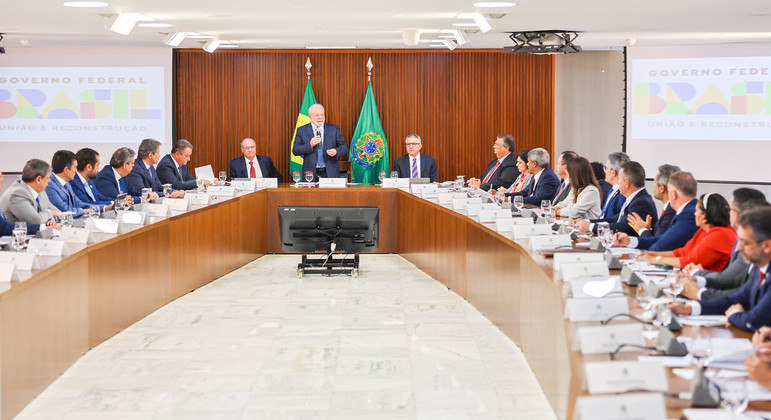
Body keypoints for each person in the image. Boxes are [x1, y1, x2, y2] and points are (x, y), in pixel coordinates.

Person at [670, 206, 771, 332]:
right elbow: (735, 299)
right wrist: (689, 308)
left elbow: (753, 321)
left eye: (744, 242)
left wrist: (734, 315)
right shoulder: (761, 268)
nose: (738, 248)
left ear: (767, 246)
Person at [679, 198, 769, 300]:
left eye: (730, 210)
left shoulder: (721, 233)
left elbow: (730, 281)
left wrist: (699, 290)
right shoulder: (704, 231)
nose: (739, 247)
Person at [646, 193, 736, 271]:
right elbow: (683, 252)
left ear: (704, 216)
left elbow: (688, 261)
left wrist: (655, 259)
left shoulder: (720, 235)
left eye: (697, 211)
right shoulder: (704, 230)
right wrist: (652, 254)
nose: (694, 214)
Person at [613, 171, 699, 251]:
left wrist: (648, 256)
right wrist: (629, 241)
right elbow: (663, 240)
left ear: (673, 194)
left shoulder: (689, 215)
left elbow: (662, 246)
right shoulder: (687, 210)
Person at [576, 161, 657, 235]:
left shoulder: (641, 202)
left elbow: (624, 227)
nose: (617, 183)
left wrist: (590, 227)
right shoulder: (636, 198)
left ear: (627, 183)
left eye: (619, 179)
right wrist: (586, 222)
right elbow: (614, 220)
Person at [291, 104, 349, 181]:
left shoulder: (333, 129)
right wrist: (310, 144)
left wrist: (336, 151)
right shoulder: (302, 130)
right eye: (317, 115)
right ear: (309, 117)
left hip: (330, 173)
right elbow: (295, 150)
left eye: (322, 114)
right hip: (310, 174)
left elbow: (345, 146)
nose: (320, 117)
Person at [575, 152, 629, 232]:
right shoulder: (613, 190)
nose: (604, 172)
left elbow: (616, 221)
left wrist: (591, 226)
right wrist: (587, 222)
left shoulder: (622, 194)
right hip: (600, 230)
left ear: (613, 172)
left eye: (606, 168)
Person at [0, 159, 61, 225]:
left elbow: (59, 213)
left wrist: (50, 220)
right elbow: (36, 221)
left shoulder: (41, 192)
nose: (49, 180)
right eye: (47, 178)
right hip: (17, 234)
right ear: (38, 179)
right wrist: (49, 213)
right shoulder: (17, 194)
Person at [628, 164, 680, 238]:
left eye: (655, 182)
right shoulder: (671, 208)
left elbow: (658, 243)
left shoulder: (671, 212)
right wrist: (648, 230)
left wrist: (642, 230)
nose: (654, 185)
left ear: (661, 188)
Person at [45, 150, 95, 218]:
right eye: (75, 167)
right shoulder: (49, 185)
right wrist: (83, 211)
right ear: (66, 170)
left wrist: (103, 208)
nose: (76, 171)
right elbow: (64, 210)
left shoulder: (67, 183)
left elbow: (78, 203)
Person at [0, 171, 46, 235]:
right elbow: (4, 228)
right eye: (0, 177)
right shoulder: (17, 193)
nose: (2, 180)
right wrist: (43, 227)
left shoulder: (41, 192)